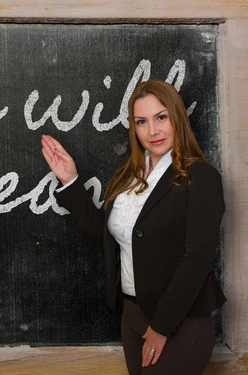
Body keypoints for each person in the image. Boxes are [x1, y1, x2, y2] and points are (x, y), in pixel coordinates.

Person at [41, 79, 226, 375]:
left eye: (161, 117)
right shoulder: (129, 177)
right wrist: (70, 182)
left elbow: (198, 259)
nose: (152, 131)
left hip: (179, 321)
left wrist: (161, 327)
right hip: (133, 316)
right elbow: (109, 236)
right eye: (142, 122)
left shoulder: (199, 177)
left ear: (176, 117)